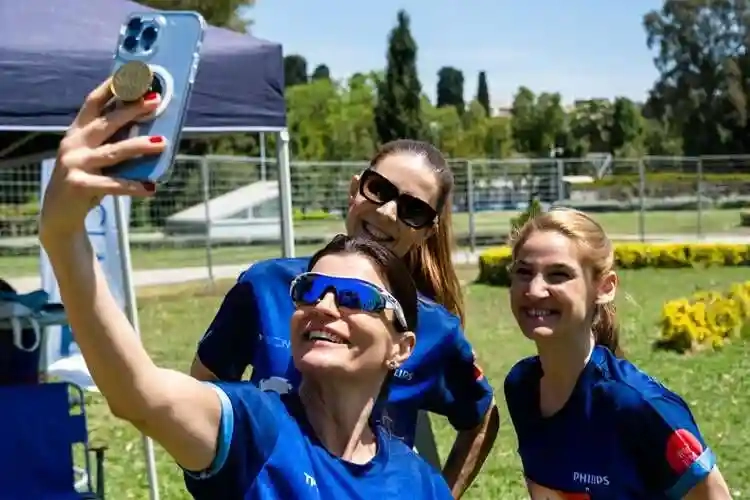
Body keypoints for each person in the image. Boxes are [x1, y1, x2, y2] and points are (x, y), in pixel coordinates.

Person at [37, 85, 454, 497]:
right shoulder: (255, 429)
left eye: (354, 297)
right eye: (309, 290)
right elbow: (140, 393)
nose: (324, 306)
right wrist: (64, 234)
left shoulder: (421, 483)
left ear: (401, 348)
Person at [191, 139, 499, 494]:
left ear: (427, 231)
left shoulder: (434, 328)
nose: (387, 213)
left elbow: (482, 417)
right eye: (379, 189)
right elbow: (204, 389)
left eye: (413, 210)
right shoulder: (266, 286)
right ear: (355, 189)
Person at [503, 208, 732, 499]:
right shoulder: (521, 387)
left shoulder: (640, 405)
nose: (535, 290)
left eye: (558, 275)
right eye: (523, 273)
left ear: (604, 288)